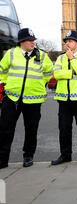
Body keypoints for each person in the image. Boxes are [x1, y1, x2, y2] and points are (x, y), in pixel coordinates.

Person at [0, 28, 53, 169]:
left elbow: (49, 72)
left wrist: (41, 83)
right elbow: (2, 70)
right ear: (21, 42)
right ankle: (2, 159)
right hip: (12, 98)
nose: (33, 43)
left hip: (34, 99)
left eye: (33, 40)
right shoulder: (11, 54)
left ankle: (28, 156)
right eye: (30, 40)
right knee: (5, 129)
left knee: (31, 129)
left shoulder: (41, 55)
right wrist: (5, 84)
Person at [51, 30, 77, 166]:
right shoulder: (60, 58)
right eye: (66, 41)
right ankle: (65, 155)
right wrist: (70, 72)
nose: (67, 43)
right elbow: (56, 74)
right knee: (64, 129)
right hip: (63, 99)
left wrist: (72, 59)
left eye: (70, 41)